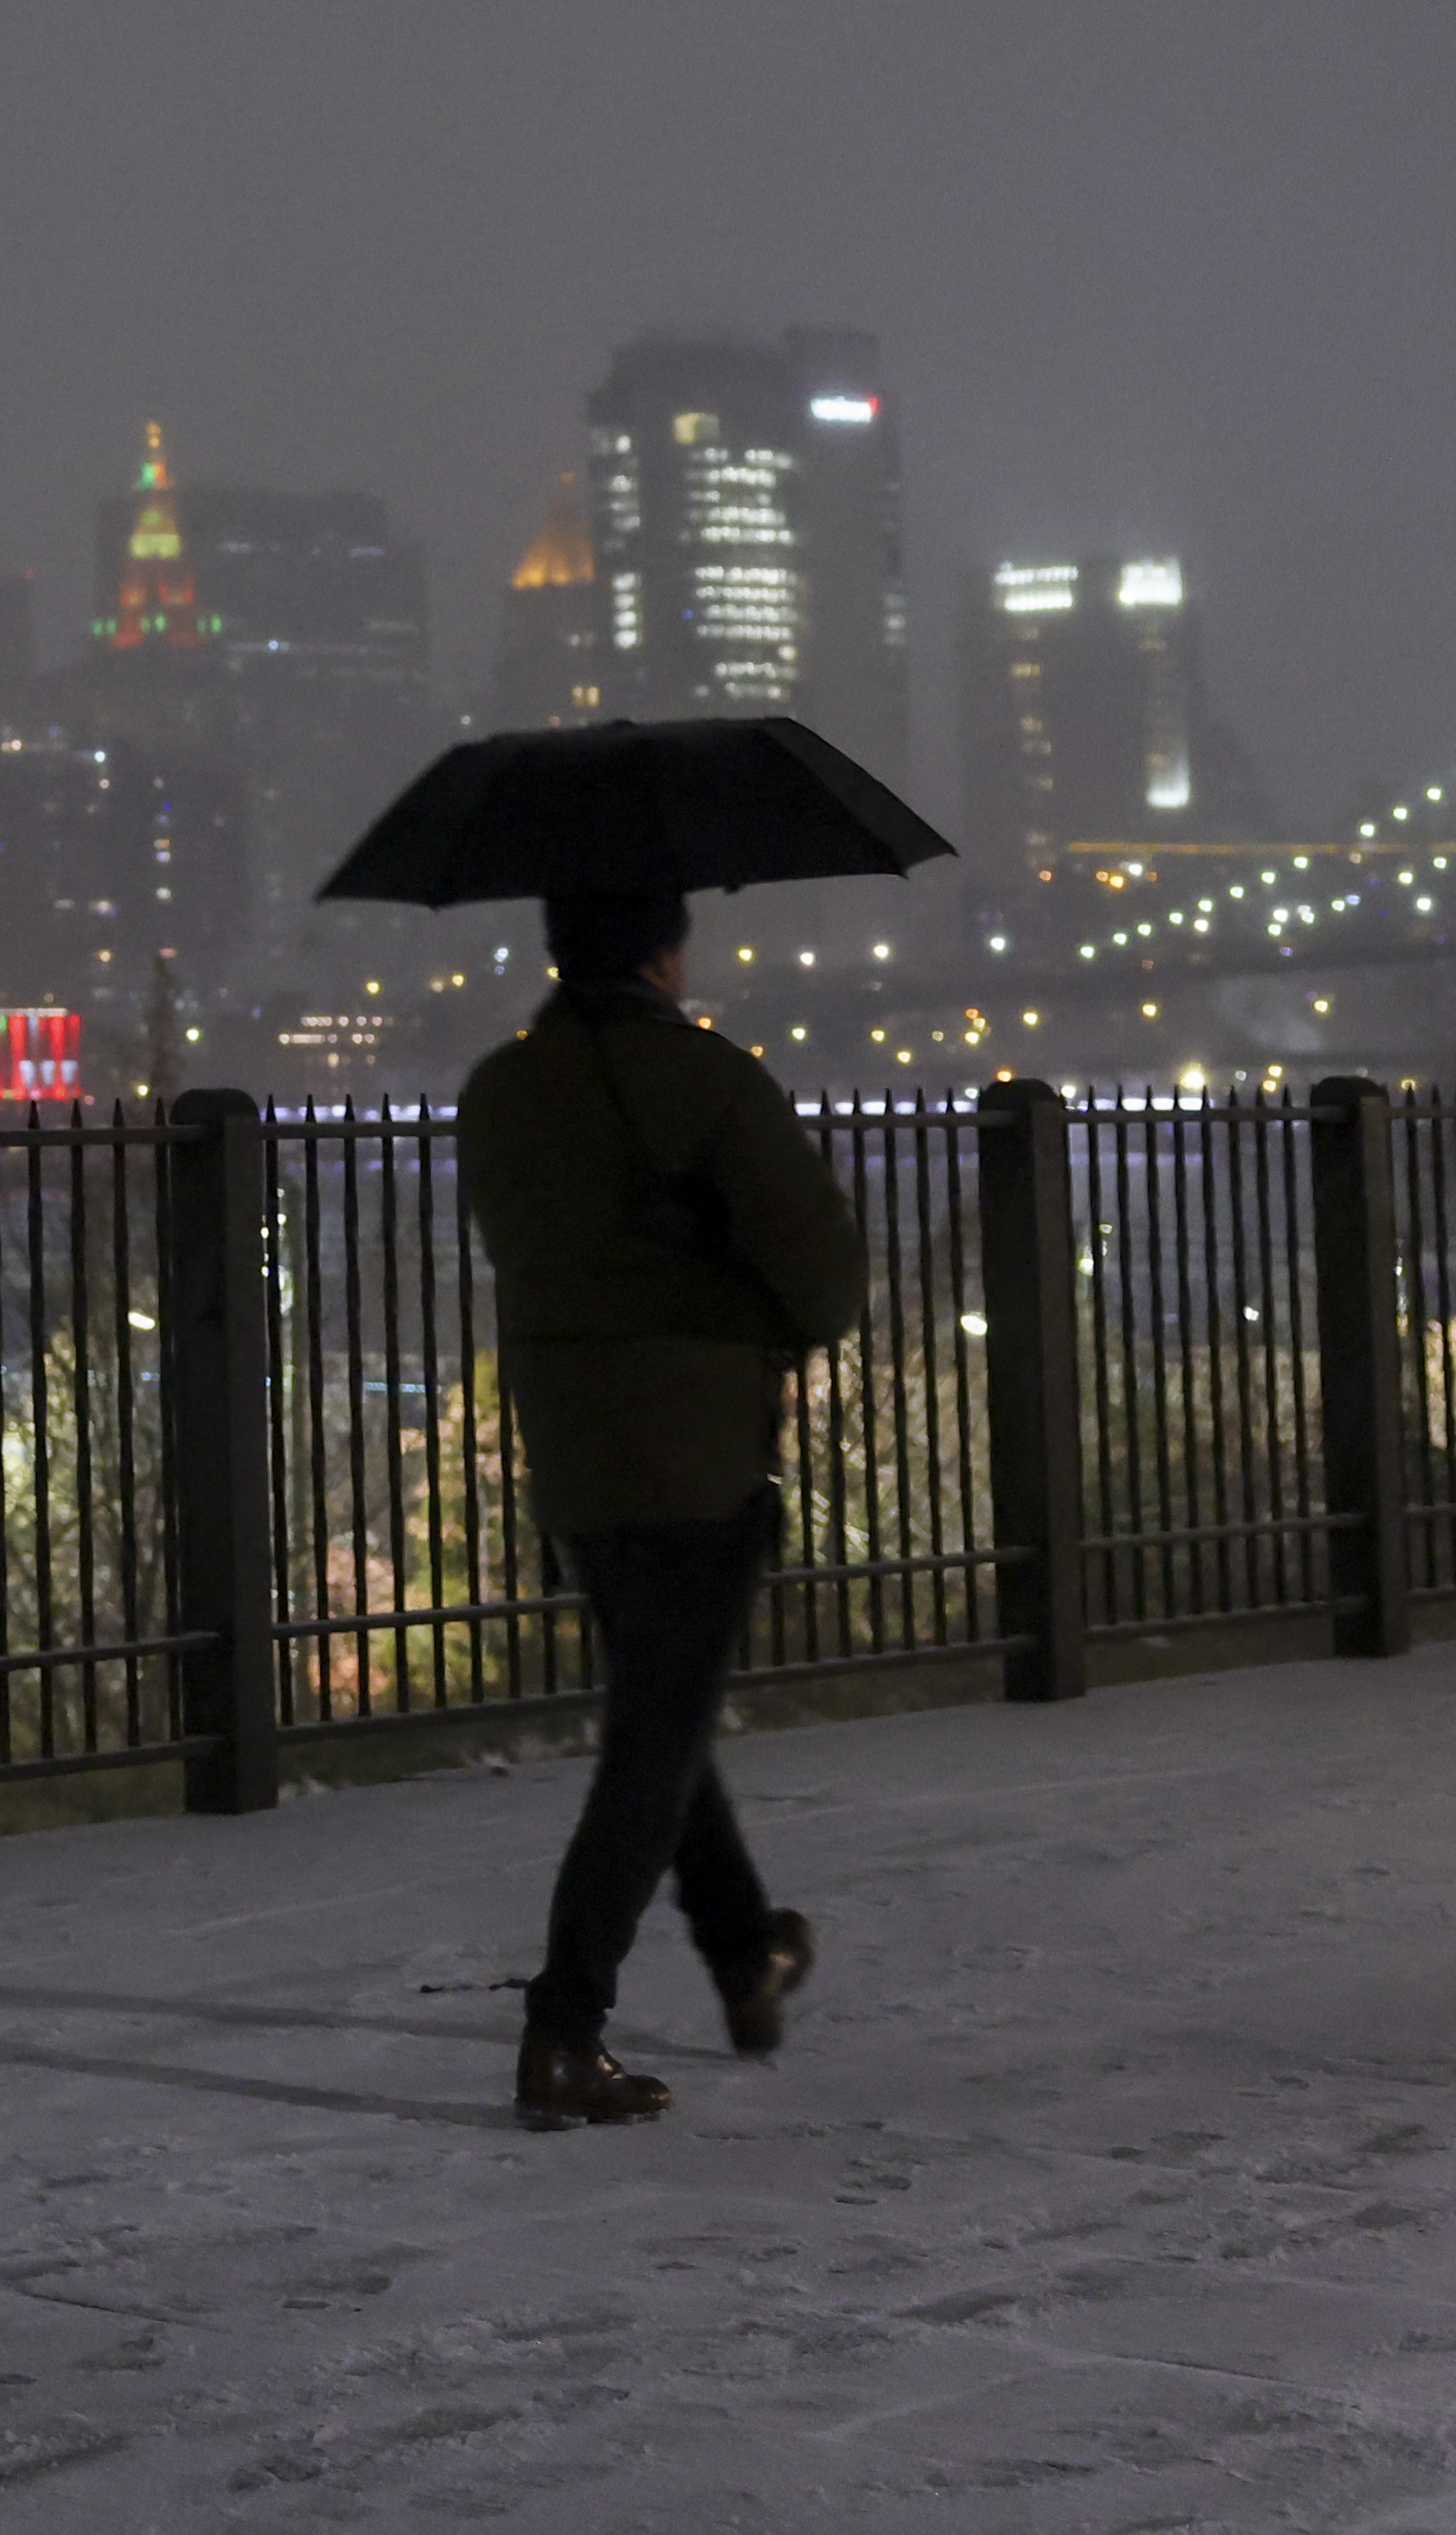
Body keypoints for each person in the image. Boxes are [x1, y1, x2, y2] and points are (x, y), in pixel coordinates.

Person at [454, 883, 861, 2128]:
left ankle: (744, 1954)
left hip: (572, 1449)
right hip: (698, 1451)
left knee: (662, 1708)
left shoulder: (497, 1091)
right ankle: (564, 2031)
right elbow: (824, 1282)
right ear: (664, 954)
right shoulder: (708, 1080)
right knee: (649, 1745)